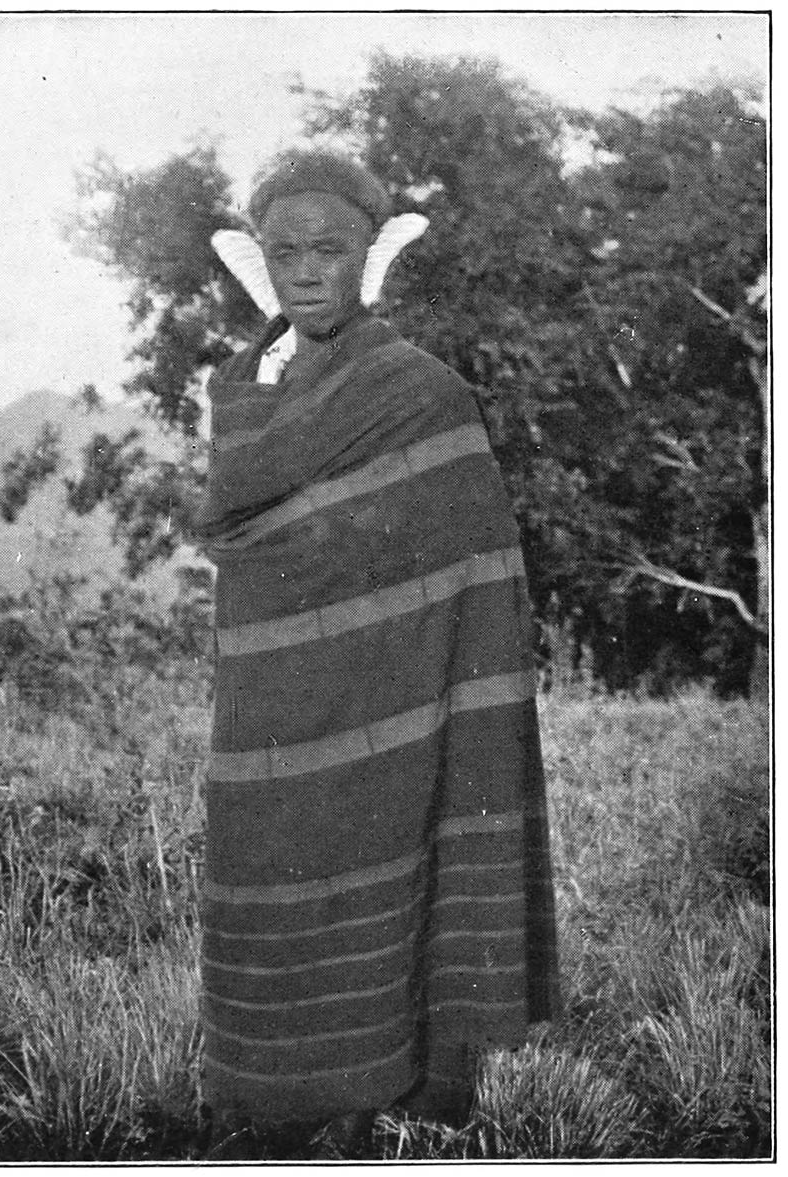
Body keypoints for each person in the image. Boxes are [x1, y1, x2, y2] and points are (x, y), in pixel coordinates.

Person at [194, 149, 560, 1158]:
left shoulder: (418, 392)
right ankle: (269, 1093)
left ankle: (376, 1091)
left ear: (371, 257)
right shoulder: (250, 380)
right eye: (283, 252)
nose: (306, 270)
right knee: (264, 859)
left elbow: (462, 560)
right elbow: (251, 531)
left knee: (384, 861)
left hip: (397, 694)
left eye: (330, 248)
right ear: (256, 262)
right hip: (273, 697)